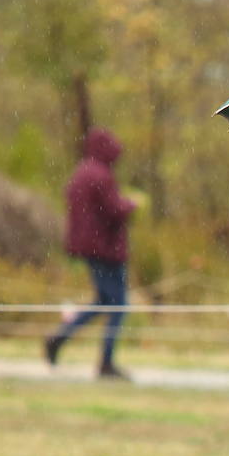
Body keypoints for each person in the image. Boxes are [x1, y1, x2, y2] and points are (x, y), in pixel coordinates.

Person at [45, 127, 137, 379]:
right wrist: (131, 204)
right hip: (106, 249)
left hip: (91, 248)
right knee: (118, 305)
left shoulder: (82, 173)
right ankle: (106, 362)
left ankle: (59, 338)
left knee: (105, 301)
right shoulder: (100, 175)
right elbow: (113, 209)